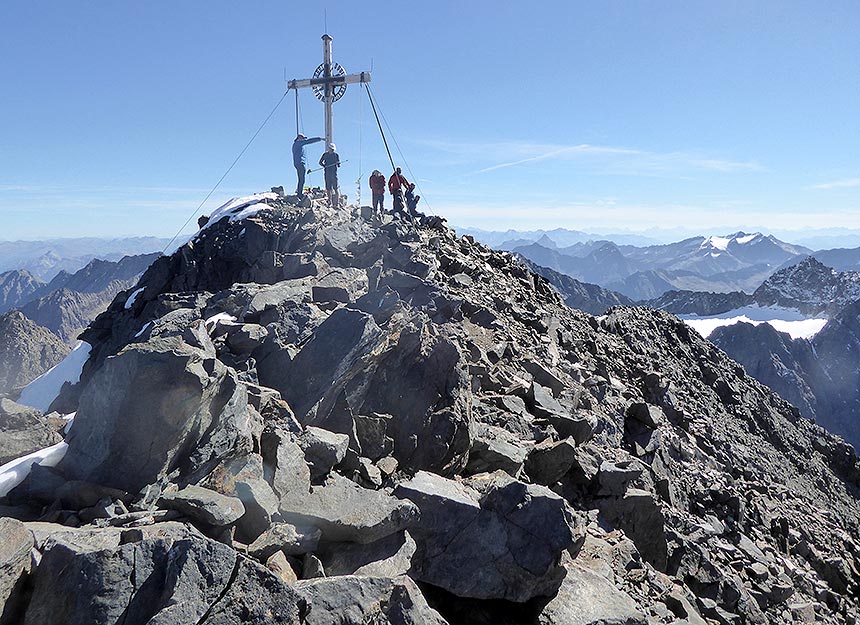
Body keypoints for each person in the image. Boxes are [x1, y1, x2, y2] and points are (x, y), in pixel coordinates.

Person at [319, 143, 341, 208]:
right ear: (329, 148)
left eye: (333, 149)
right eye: (331, 149)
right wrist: (324, 166)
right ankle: (329, 202)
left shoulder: (336, 155)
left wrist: (338, 163)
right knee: (328, 188)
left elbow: (339, 165)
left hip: (334, 174)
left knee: (335, 188)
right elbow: (320, 162)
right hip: (327, 173)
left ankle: (336, 203)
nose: (332, 150)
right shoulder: (325, 155)